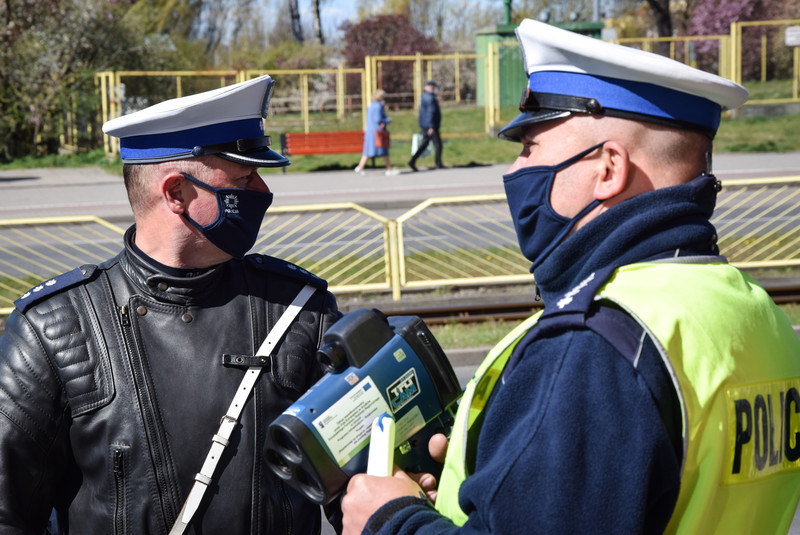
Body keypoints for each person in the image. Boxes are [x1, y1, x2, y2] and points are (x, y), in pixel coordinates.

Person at [341, 19, 800, 535]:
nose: (515, 173)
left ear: (607, 168)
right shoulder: (759, 316)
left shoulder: (590, 347)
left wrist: (391, 521)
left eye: (530, 148)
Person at [0, 74, 343, 534]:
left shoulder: (300, 309)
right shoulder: (53, 328)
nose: (263, 192)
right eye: (244, 177)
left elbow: (361, 488)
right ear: (177, 193)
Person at [356, 88, 400, 176]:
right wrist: (387, 120)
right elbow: (378, 119)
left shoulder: (371, 106)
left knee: (368, 151)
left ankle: (360, 166)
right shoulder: (377, 106)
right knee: (384, 150)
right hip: (377, 132)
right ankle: (389, 169)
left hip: (370, 131)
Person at [408, 80, 443, 171]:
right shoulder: (430, 98)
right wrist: (431, 126)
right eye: (433, 87)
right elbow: (430, 112)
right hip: (430, 125)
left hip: (425, 124)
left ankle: (413, 160)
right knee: (437, 144)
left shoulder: (425, 96)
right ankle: (438, 163)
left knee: (425, 143)